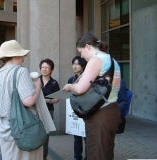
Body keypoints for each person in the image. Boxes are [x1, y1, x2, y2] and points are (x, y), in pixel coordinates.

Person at [63, 32, 121, 160]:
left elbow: (80, 88)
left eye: (81, 52)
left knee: (97, 153)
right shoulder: (112, 59)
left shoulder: (96, 60)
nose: (82, 57)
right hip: (113, 111)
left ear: (88, 46)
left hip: (100, 114)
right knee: (106, 152)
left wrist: (69, 87)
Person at [0, 40, 43, 160]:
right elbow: (28, 101)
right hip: (22, 129)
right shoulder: (20, 71)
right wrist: (38, 86)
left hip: (4, 128)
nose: (24, 57)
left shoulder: (0, 72)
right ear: (16, 55)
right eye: (22, 54)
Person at [39, 58, 60, 160]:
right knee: (36, 133)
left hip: (48, 111)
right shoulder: (35, 80)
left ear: (51, 70)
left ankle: (43, 157)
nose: (44, 69)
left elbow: (56, 99)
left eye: (47, 67)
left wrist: (44, 100)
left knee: (45, 136)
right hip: (35, 111)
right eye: (42, 67)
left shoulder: (54, 83)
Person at [68, 56, 87, 160]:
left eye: (77, 64)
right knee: (77, 137)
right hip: (74, 111)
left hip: (85, 110)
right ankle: (77, 158)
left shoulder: (87, 78)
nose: (74, 66)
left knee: (86, 137)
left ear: (83, 65)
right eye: (73, 64)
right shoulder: (71, 79)